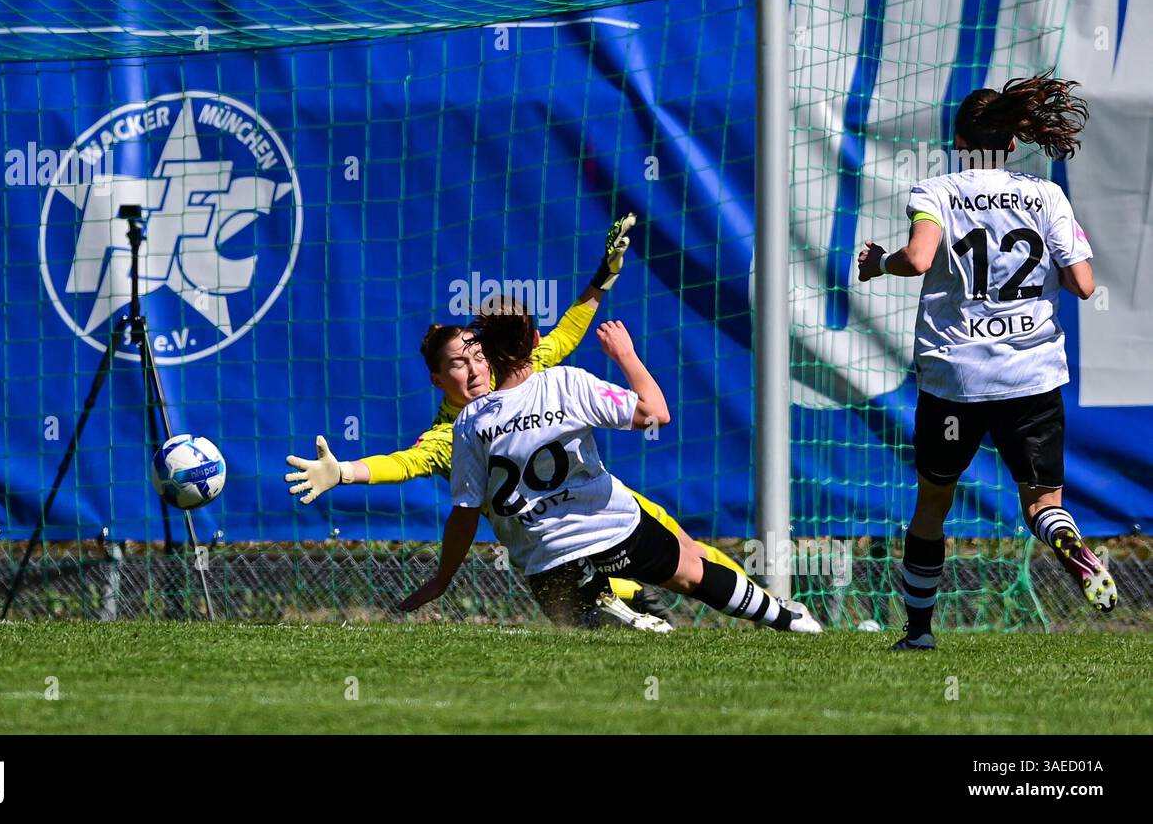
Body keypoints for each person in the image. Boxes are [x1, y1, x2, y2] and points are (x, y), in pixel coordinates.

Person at [285, 214, 746, 628]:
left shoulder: (528, 371)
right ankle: (626, 603)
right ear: (436, 379)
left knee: (691, 553)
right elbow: (401, 463)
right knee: (585, 609)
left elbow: (566, 331)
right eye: (457, 364)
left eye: (476, 356)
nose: (473, 369)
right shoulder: (453, 433)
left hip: (603, 506)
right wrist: (342, 472)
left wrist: (604, 275)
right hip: (552, 545)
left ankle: (771, 617)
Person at [857, 73, 1116, 651]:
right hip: (1033, 375)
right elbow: (1083, 282)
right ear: (1011, 140)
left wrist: (878, 266)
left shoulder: (936, 192)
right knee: (1044, 504)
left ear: (959, 140)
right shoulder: (1046, 194)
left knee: (933, 503)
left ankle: (919, 635)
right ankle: (1071, 546)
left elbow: (921, 259)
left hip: (958, 379)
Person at [398, 297, 822, 634]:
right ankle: (789, 619)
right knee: (693, 573)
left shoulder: (470, 422)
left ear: (486, 354)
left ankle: (610, 610)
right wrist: (626, 355)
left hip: (545, 558)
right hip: (613, 529)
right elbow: (657, 413)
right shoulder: (566, 383)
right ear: (536, 340)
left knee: (582, 629)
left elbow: (466, 514)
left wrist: (442, 579)